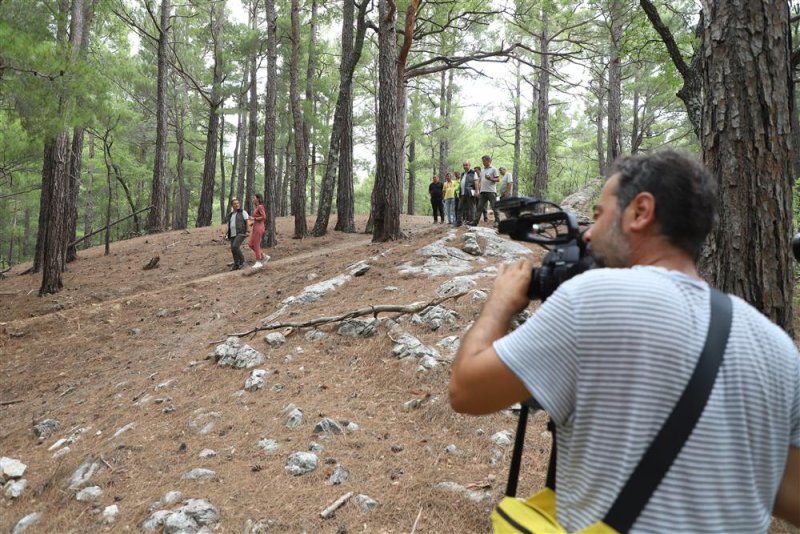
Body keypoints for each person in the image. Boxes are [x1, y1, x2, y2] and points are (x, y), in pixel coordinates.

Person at [449, 150, 799, 532]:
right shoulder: (777, 346)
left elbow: (467, 390)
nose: (586, 233)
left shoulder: (592, 297)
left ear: (640, 212)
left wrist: (500, 304)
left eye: (599, 216)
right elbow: (789, 495)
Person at [471, 155, 500, 227]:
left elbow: (498, 179)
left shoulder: (494, 169)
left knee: (494, 207)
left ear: (488, 161)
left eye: (484, 161)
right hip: (483, 192)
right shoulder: (483, 171)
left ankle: (497, 221)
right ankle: (475, 222)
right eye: (482, 161)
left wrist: (490, 178)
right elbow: (480, 181)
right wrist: (478, 191)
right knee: (479, 207)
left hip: (491, 191)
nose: (483, 162)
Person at [223, 198, 249, 271]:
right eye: (235, 204)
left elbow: (247, 222)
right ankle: (236, 264)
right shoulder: (230, 215)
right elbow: (228, 225)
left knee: (235, 246)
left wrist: (248, 231)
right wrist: (225, 234)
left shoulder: (242, 212)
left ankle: (242, 261)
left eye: (238, 203)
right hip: (232, 234)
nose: (237, 205)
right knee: (233, 249)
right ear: (232, 205)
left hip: (241, 232)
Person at [248, 193, 269, 269]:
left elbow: (264, 217)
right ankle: (264, 256)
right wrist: (252, 222)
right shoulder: (257, 207)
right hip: (255, 227)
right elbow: (258, 218)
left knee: (256, 244)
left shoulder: (260, 206)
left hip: (259, 228)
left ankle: (258, 261)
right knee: (251, 244)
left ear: (258, 199)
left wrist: (254, 219)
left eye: (254, 197)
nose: (253, 199)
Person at [456, 161, 479, 226]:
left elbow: (476, 182)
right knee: (460, 207)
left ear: (469, 165)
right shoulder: (463, 174)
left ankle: (472, 221)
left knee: (471, 207)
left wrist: (477, 191)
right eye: (464, 165)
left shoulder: (473, 173)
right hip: (462, 193)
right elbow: (461, 183)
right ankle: (459, 222)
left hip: (469, 192)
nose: (465, 166)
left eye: (466, 165)